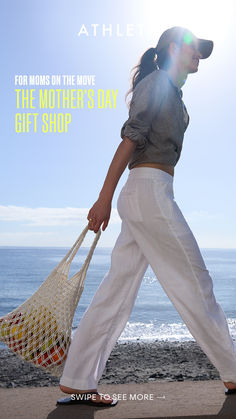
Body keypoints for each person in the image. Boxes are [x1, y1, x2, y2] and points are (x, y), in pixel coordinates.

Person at [57, 26, 236, 407]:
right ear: (173, 48)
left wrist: (113, 198)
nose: (199, 56)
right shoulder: (156, 85)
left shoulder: (173, 93)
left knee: (116, 290)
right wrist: (103, 197)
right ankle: (234, 372)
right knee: (195, 279)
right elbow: (131, 138)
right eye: (193, 49)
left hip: (147, 195)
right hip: (149, 193)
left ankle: (77, 378)